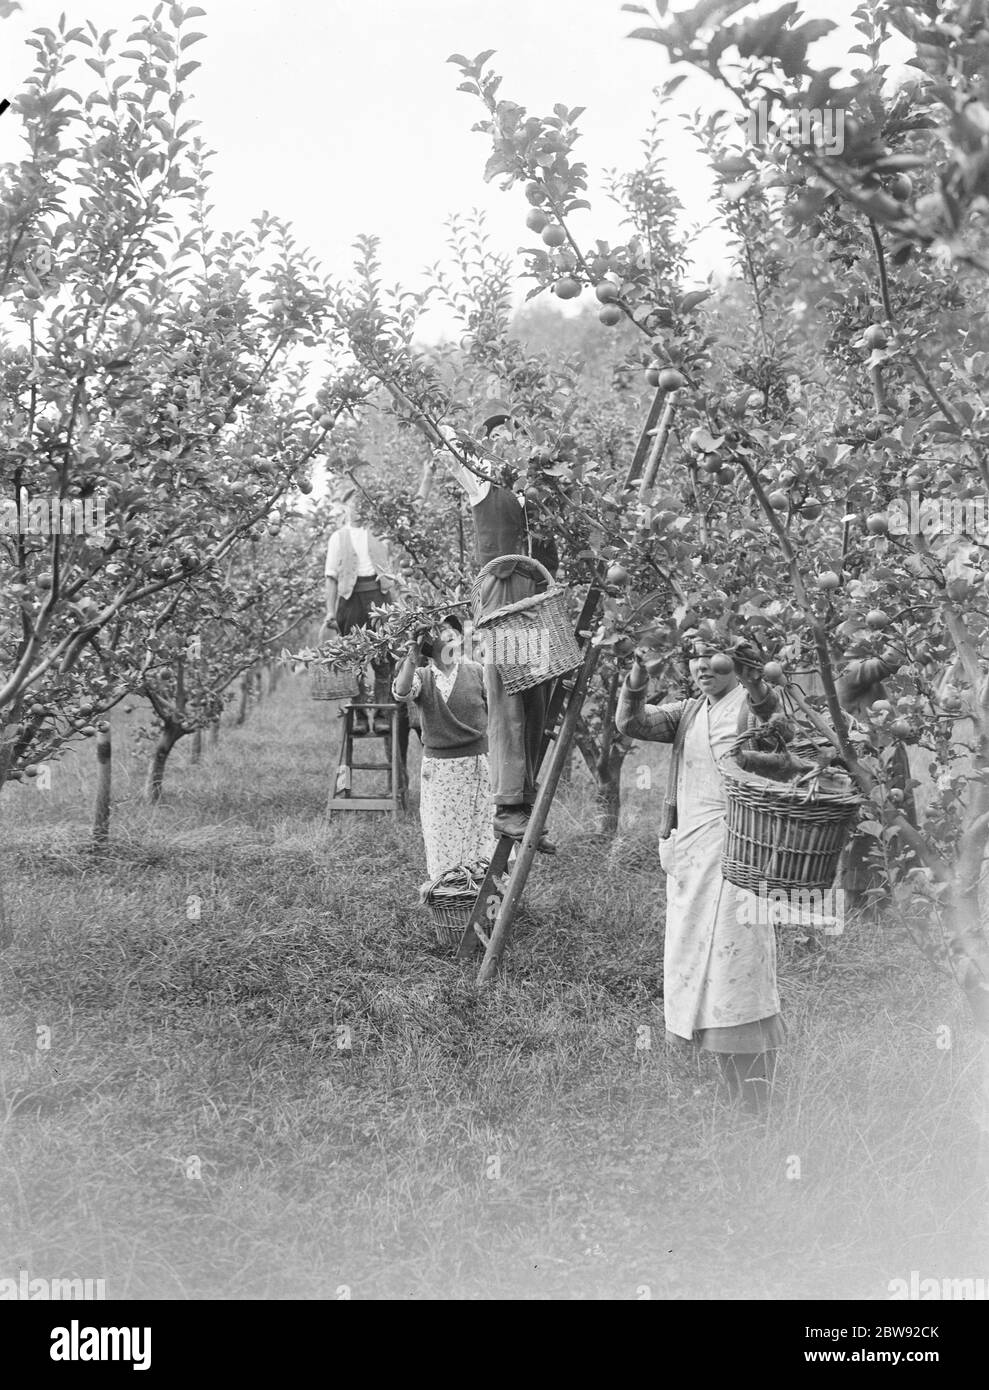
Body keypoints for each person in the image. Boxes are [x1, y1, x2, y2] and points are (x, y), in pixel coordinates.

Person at [616, 634, 785, 1116]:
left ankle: (755, 1090)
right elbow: (632, 722)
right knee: (696, 960)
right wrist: (636, 679)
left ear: (740, 664)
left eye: (714, 659)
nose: (702, 667)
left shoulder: (749, 707)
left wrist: (759, 687)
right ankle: (725, 1081)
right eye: (694, 659)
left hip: (740, 849)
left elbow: (779, 727)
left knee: (739, 961)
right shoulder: (689, 711)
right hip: (692, 853)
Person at [425, 417, 559, 852]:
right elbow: (447, 440)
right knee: (507, 701)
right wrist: (453, 430)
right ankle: (506, 807)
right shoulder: (483, 483)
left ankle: (525, 801)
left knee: (537, 699)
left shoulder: (537, 491)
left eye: (516, 434)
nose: (509, 441)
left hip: (536, 600)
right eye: (498, 435)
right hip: (502, 596)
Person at [393, 614, 496, 892]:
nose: (450, 636)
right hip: (440, 772)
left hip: (476, 767)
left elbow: (499, 710)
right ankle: (451, 896)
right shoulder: (423, 677)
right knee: (443, 834)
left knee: (479, 834)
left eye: (453, 632)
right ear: (430, 645)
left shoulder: (476, 671)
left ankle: (482, 896)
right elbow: (402, 691)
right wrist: (411, 657)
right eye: (442, 634)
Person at [322, 490, 404, 744]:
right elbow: (331, 577)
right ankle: (359, 716)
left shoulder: (379, 535)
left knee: (383, 660)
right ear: (345, 508)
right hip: (350, 599)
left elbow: (391, 573)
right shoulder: (338, 537)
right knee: (354, 660)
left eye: (361, 504)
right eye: (352, 505)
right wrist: (330, 610)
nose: (357, 509)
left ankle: (381, 714)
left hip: (377, 598)